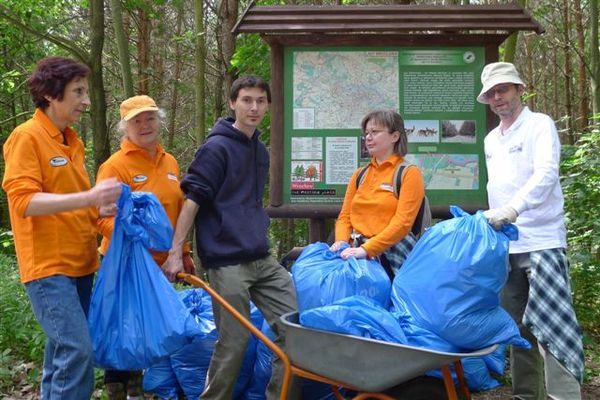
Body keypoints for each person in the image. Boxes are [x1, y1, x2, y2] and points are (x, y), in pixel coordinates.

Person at [162, 75, 299, 400]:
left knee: (294, 330)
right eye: (247, 100)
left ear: (268, 105)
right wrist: (176, 251)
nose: (254, 107)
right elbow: (192, 201)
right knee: (234, 342)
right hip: (227, 262)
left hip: (261, 257)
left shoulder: (260, 151)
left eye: (260, 101)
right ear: (232, 103)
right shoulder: (216, 149)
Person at [2, 56, 122, 400]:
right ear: (52, 94)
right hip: (48, 267)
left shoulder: (71, 141)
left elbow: (73, 203)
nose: (87, 101)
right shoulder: (26, 137)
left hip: (81, 264)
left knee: (61, 354)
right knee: (77, 350)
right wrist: (89, 197)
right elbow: (24, 202)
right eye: (78, 92)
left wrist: (101, 209)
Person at [478, 62, 584, 400]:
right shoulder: (491, 139)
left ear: (520, 89)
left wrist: (513, 209)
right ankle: (526, 395)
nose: (498, 97)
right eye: (491, 93)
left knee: (553, 324)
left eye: (503, 89)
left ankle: (564, 396)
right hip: (507, 247)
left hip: (543, 241)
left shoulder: (539, 124)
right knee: (518, 329)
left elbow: (546, 174)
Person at [96, 95, 194, 399]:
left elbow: (178, 210)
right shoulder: (114, 166)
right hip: (124, 263)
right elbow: (100, 217)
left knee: (148, 328)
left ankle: (139, 390)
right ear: (124, 128)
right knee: (123, 328)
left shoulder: (170, 162)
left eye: (150, 118)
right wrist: (134, 239)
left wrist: (184, 252)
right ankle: (116, 390)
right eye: (136, 121)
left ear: (159, 121)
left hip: (162, 265)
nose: (144, 125)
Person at [330, 109, 425, 278]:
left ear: (395, 136)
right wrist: (341, 242)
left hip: (391, 254)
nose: (368, 137)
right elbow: (345, 217)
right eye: (366, 133)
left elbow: (403, 223)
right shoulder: (360, 174)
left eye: (374, 132)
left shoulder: (409, 173)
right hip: (354, 252)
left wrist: (367, 249)